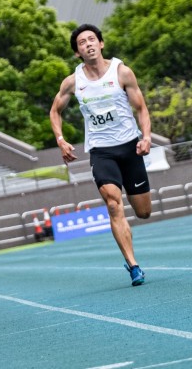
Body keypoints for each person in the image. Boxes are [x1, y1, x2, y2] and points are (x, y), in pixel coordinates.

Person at [50, 24, 153, 286]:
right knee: (112, 204)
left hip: (129, 146)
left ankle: (132, 247)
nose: (88, 44)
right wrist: (61, 140)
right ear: (77, 53)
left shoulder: (122, 72)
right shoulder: (73, 82)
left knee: (143, 212)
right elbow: (54, 111)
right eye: (82, 43)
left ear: (101, 43)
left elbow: (140, 107)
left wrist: (146, 136)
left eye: (92, 39)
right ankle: (133, 265)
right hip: (101, 151)